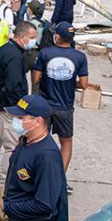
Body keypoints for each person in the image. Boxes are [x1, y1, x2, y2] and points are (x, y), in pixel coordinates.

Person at [3, 95, 68, 221]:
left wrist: (6, 208)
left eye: (20, 118)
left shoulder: (47, 156)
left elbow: (44, 204)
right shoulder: (25, 141)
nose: (15, 121)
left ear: (38, 121)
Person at [32, 22, 89, 177]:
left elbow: (36, 79)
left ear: (57, 36)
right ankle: (58, 178)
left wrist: (49, 78)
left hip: (45, 106)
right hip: (65, 108)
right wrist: (69, 81)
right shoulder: (80, 57)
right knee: (66, 143)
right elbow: (84, 85)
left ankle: (37, 175)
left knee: (38, 139)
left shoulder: (45, 53)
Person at [0, 21, 37, 184]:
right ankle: (2, 181)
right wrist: (19, 110)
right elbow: (14, 85)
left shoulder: (4, 49)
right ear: (22, 37)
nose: (34, 41)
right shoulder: (14, 57)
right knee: (11, 146)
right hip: (8, 109)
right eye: (32, 37)